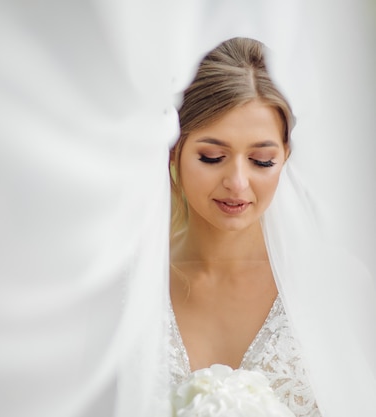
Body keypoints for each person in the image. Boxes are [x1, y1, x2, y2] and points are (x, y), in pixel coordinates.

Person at [160, 37, 374, 417]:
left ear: (286, 156)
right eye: (212, 157)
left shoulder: (342, 288)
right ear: (174, 151)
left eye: (261, 161)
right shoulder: (131, 289)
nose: (238, 183)